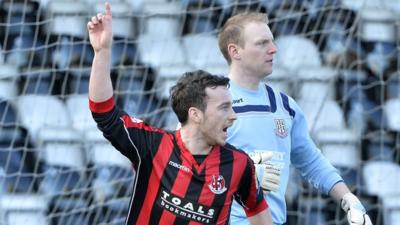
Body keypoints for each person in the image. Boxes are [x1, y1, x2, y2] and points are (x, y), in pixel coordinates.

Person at [87, 3, 273, 225]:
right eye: (224, 107)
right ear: (196, 114)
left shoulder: (240, 164)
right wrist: (102, 52)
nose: (233, 116)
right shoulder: (152, 146)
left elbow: (258, 209)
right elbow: (103, 111)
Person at [217, 12, 373, 225]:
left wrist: (348, 199)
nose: (273, 49)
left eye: (272, 41)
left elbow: (310, 160)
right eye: (262, 43)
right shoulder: (210, 104)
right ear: (235, 51)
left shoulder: (285, 106)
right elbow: (184, 168)